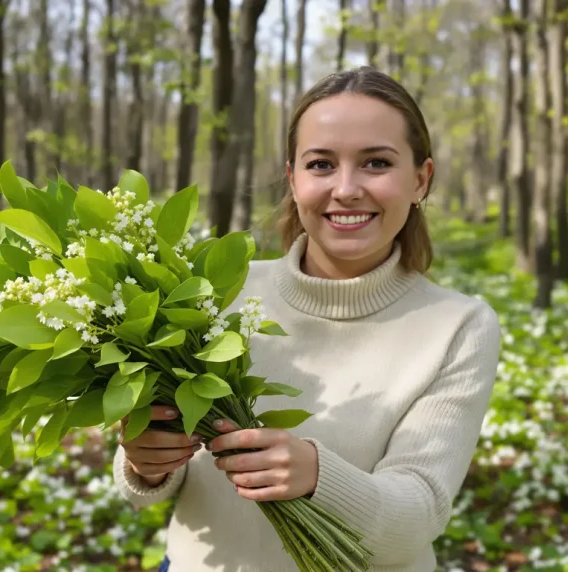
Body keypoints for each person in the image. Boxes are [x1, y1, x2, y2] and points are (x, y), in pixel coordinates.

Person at [112, 66, 502, 572]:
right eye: (321, 164)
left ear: (420, 180)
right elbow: (149, 483)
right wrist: (145, 462)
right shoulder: (217, 289)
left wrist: (317, 475)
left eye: (376, 163)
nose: (346, 189)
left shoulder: (457, 326)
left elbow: (417, 516)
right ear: (293, 177)